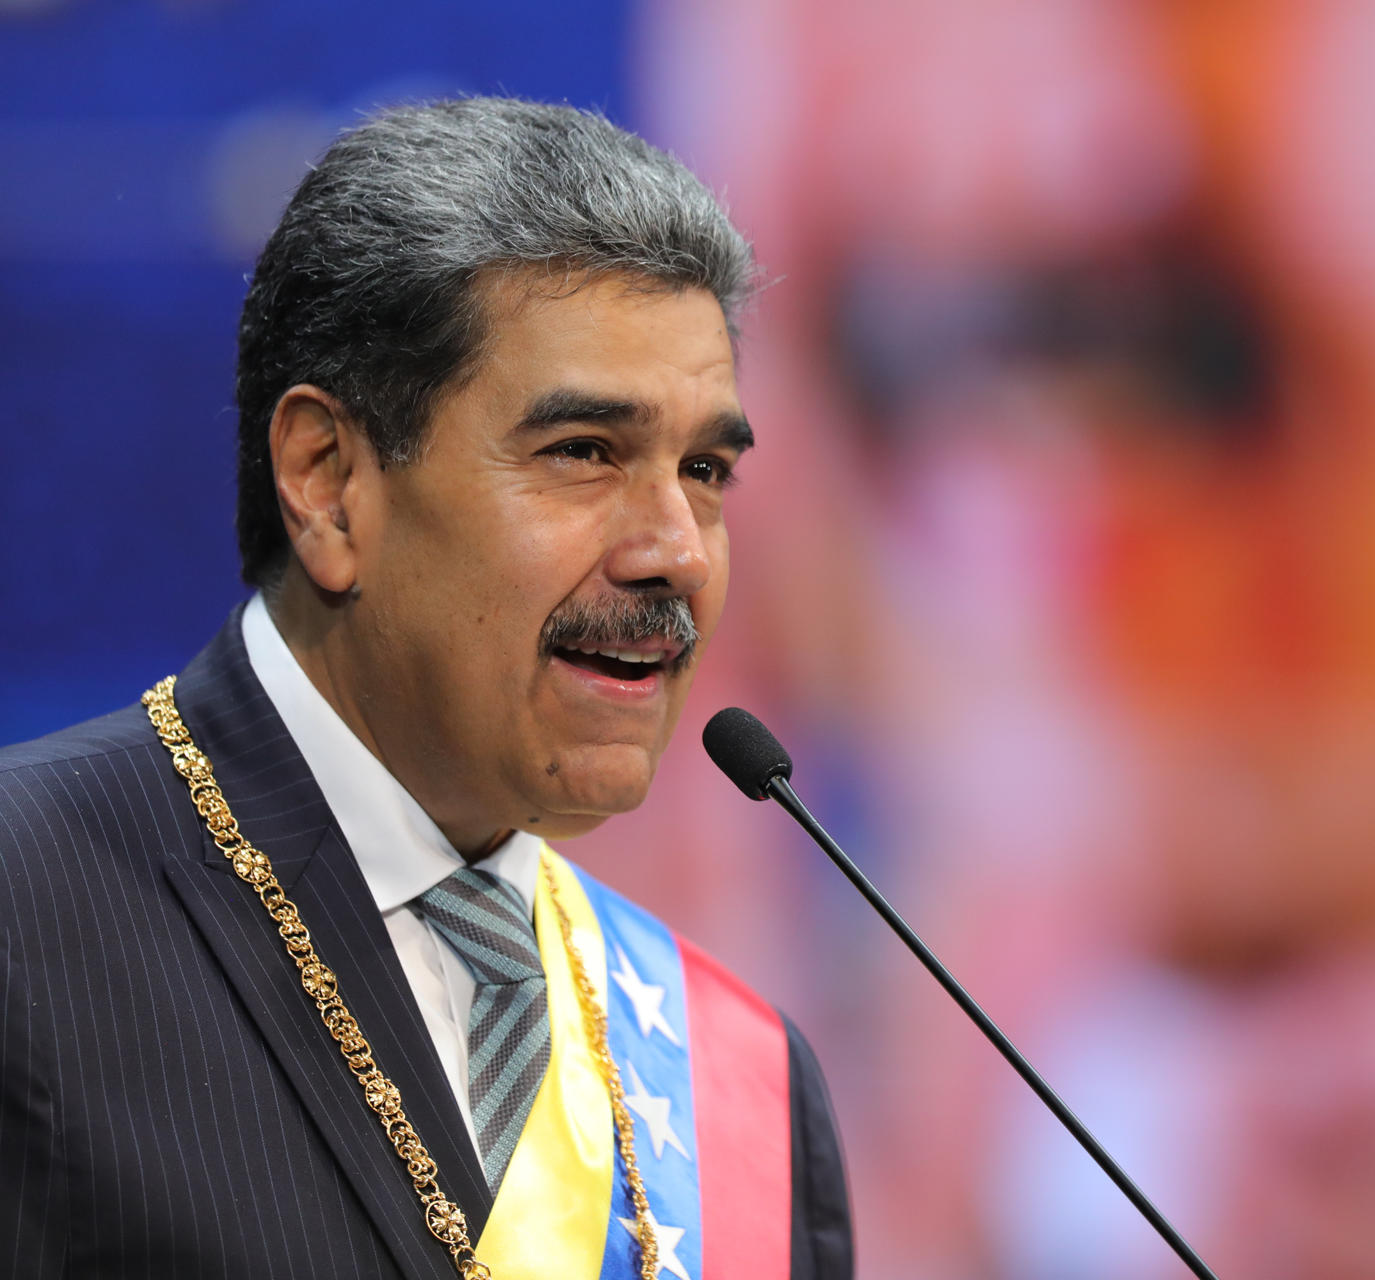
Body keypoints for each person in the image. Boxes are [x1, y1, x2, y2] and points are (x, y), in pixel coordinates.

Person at [0, 97, 851, 1280]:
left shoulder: (745, 1081)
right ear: (330, 480)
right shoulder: (23, 912)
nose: (680, 550)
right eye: (584, 452)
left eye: (704, 470)